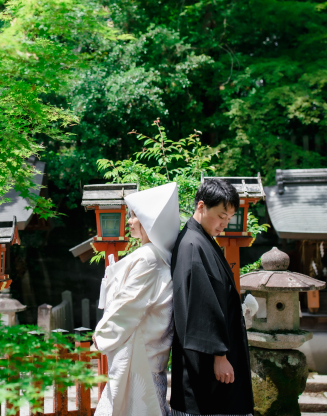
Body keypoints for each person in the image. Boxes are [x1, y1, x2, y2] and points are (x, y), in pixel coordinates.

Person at [94, 182, 180, 416]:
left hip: (137, 355)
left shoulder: (148, 258)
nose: (130, 221)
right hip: (150, 353)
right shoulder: (160, 256)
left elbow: (127, 306)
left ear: (148, 221)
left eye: (134, 216)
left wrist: (101, 335)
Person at [170, 178, 255, 416]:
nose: (224, 224)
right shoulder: (192, 245)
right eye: (221, 216)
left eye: (228, 219)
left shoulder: (201, 239)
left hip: (215, 355)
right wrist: (219, 355)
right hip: (207, 360)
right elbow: (200, 306)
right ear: (201, 206)